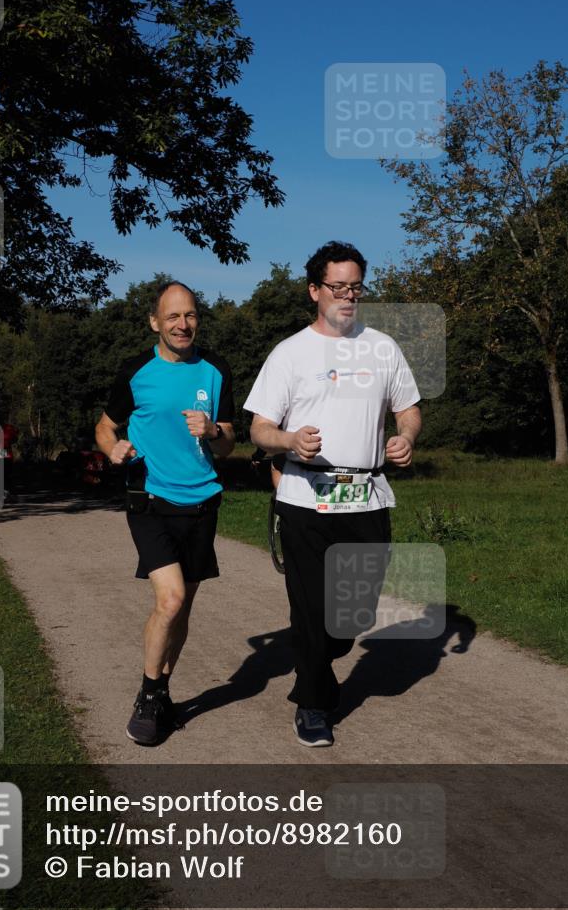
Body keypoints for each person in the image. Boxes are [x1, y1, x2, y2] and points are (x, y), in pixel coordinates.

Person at [245, 241, 421, 747]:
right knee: (309, 608)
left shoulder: (383, 347)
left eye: (355, 287)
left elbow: (408, 408)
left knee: (354, 615)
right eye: (337, 287)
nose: (348, 296)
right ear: (314, 291)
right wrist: (288, 441)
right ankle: (313, 703)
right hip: (305, 497)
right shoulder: (290, 353)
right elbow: (259, 429)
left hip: (366, 495)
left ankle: (321, 666)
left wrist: (405, 437)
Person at [95, 281, 236, 745]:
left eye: (190, 315)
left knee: (183, 607)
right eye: (173, 316)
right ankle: (149, 694)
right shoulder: (135, 372)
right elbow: (105, 426)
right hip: (150, 498)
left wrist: (214, 429)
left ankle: (162, 691)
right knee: (170, 599)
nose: (183, 324)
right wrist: (112, 449)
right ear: (155, 322)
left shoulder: (215, 371)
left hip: (201, 502)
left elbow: (231, 442)